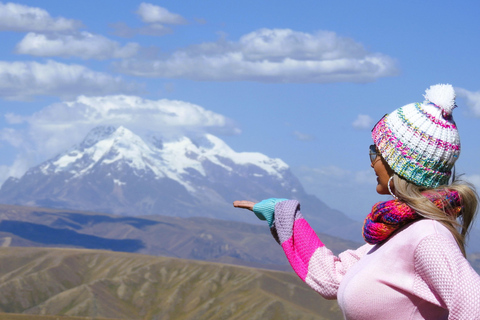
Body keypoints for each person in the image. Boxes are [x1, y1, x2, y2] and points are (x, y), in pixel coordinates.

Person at [234, 84, 480, 319]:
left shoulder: (428, 236)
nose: (371, 162)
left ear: (400, 166)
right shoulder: (400, 232)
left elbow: (474, 305)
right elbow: (333, 278)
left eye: (377, 152)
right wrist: (281, 213)